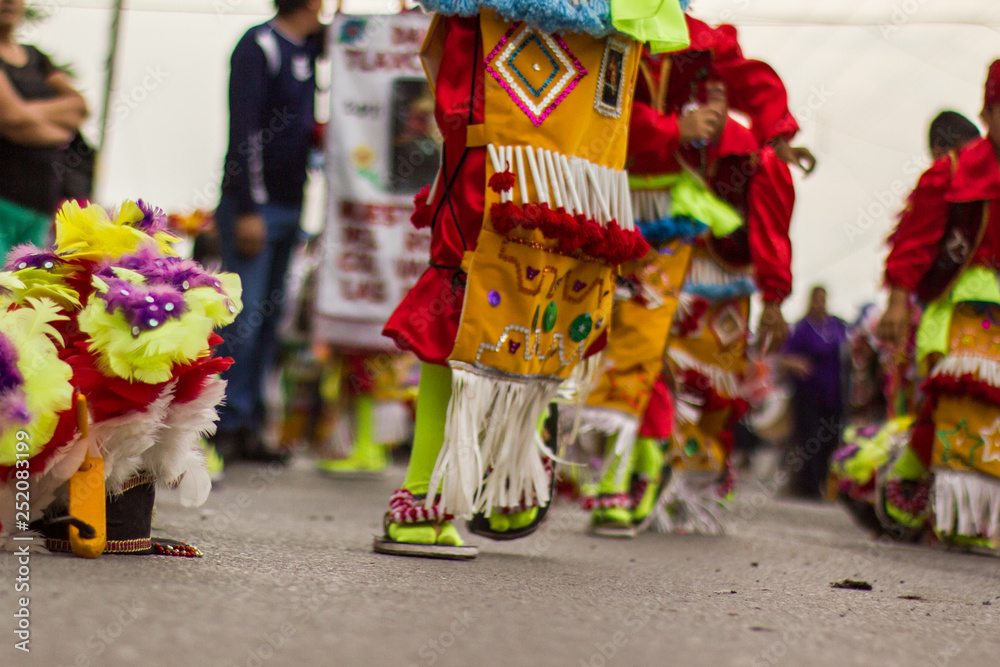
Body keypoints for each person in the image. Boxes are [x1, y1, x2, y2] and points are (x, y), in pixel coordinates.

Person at [373, 0, 690, 559]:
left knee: (548, 300)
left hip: (577, 166)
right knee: (470, 291)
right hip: (503, 149)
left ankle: (510, 471)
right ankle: (421, 495)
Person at [875, 63, 1000, 552]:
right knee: (961, 399)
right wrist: (896, 302)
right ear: (988, 112)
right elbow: (912, 245)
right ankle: (955, 508)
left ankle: (928, 485)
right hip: (957, 307)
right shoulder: (949, 173)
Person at [214, 0, 323, 463]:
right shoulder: (259, 45)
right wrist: (248, 207)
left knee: (270, 323)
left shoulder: (311, 47)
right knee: (244, 320)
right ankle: (222, 424)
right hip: (255, 209)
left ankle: (252, 422)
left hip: (292, 205)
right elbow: (245, 132)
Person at [0, 0, 88, 258]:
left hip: (38, 206)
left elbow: (79, 107)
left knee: (25, 294)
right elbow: (12, 119)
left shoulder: (37, 58)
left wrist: (27, 112)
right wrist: (60, 131)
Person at [781, 286, 848, 500]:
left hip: (833, 393)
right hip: (808, 393)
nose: (820, 303)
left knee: (832, 439)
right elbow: (785, 356)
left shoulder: (836, 325)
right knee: (810, 438)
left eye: (823, 299)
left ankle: (826, 483)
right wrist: (796, 364)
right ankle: (807, 486)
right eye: (817, 299)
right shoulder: (802, 328)